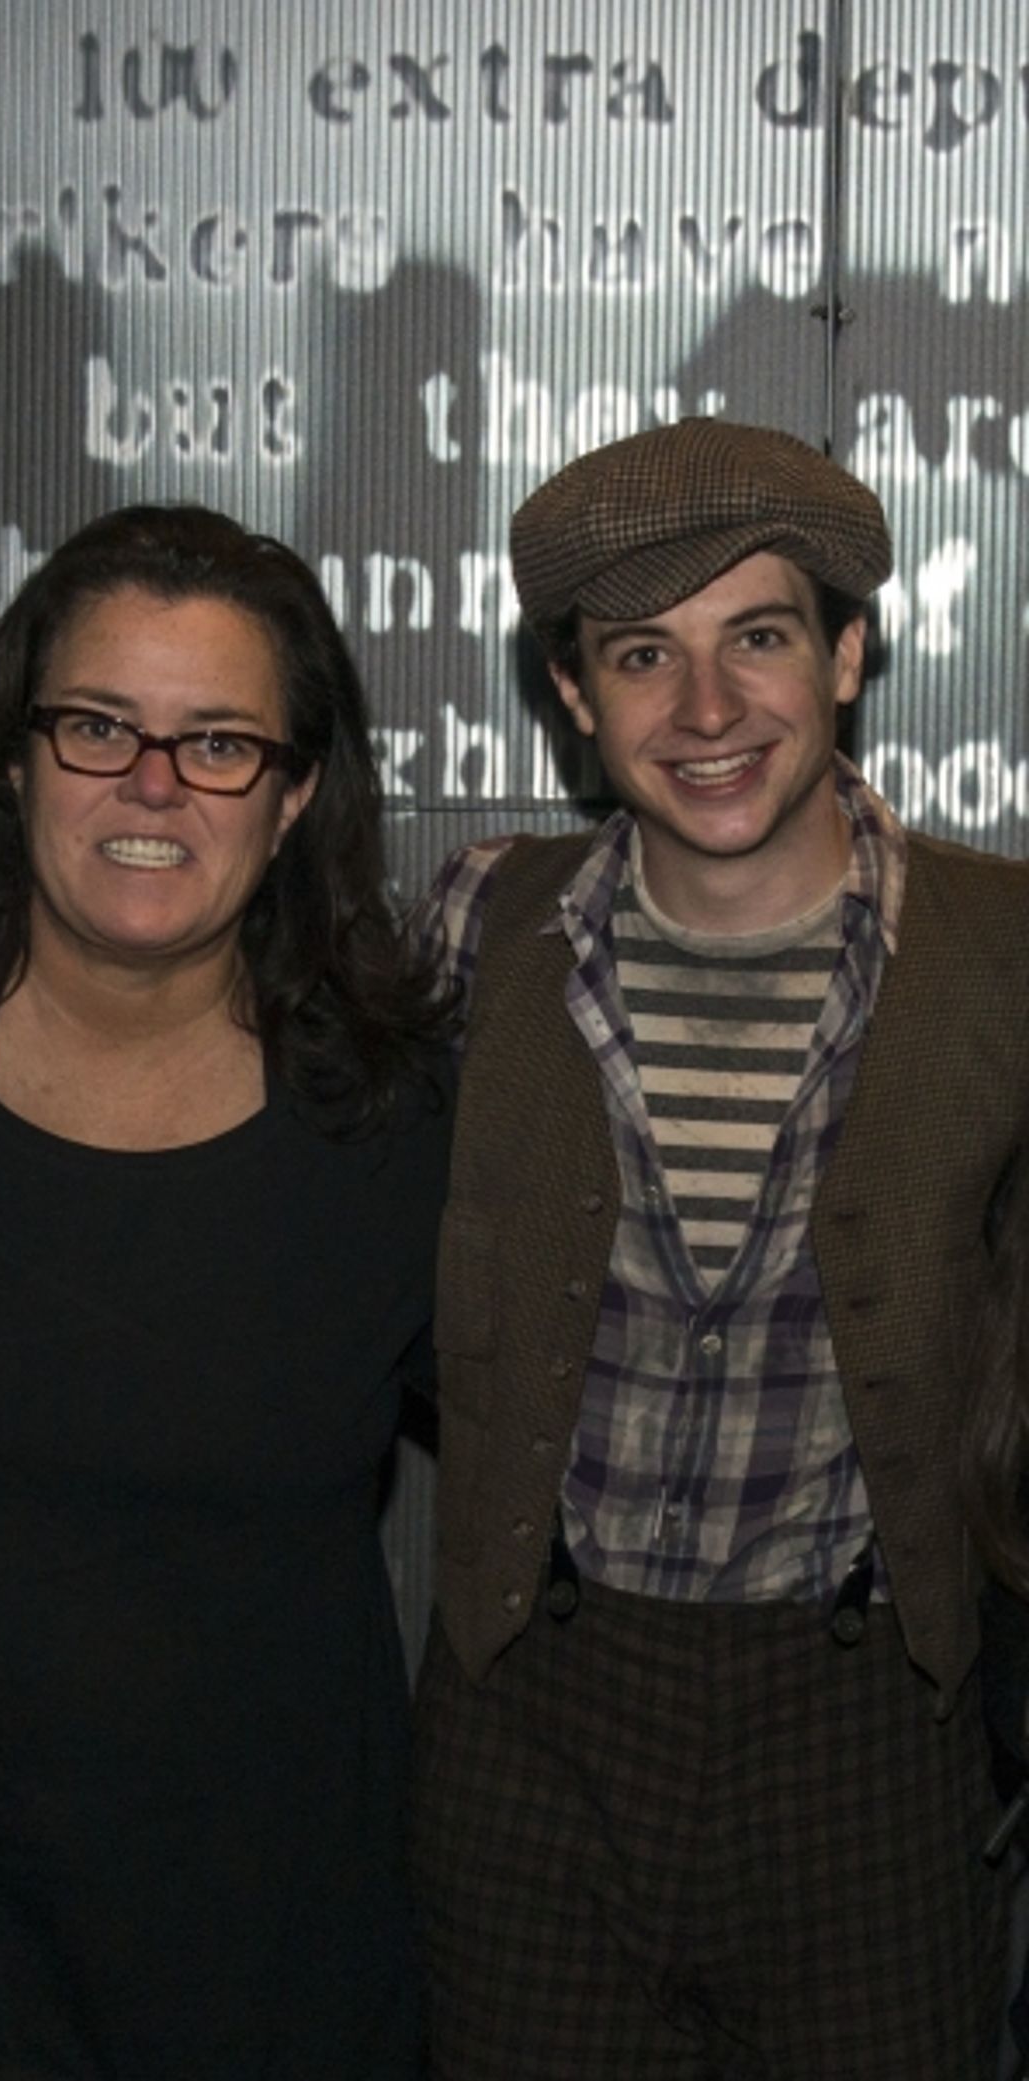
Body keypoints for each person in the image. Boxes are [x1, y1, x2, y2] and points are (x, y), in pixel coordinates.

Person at [411, 417, 1029, 2079]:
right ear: (571, 695)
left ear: (845, 652)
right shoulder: (479, 924)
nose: (703, 713)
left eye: (756, 637)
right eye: (641, 655)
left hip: (871, 1725)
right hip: (531, 1714)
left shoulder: (1004, 955)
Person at [0, 502, 452, 2078]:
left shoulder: (402, 1117)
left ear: (298, 791)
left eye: (220, 742)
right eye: (100, 724)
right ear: (16, 755)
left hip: (269, 1984)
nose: (153, 785)